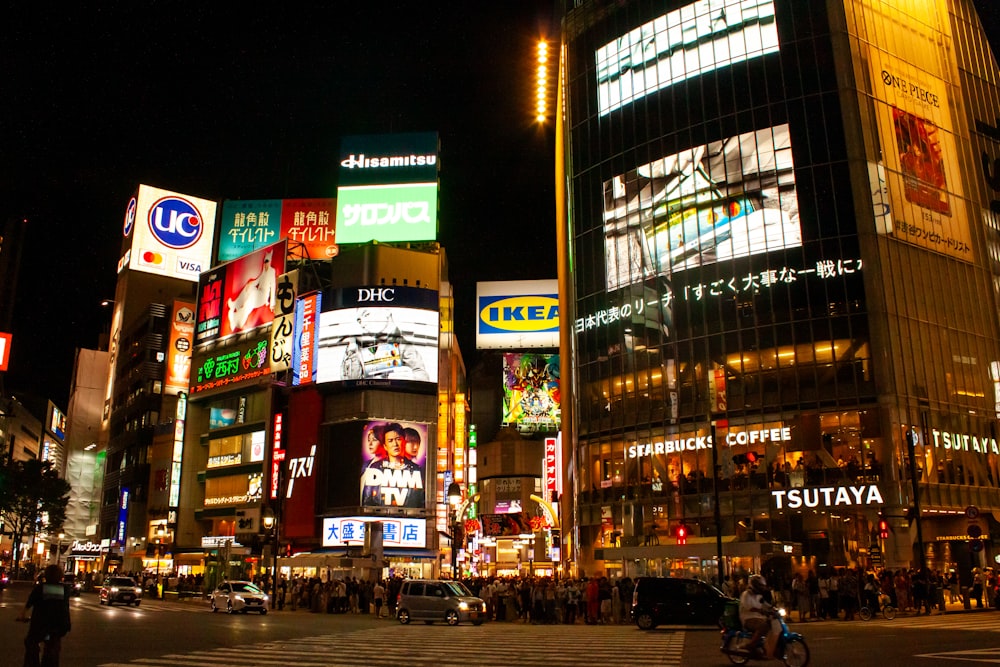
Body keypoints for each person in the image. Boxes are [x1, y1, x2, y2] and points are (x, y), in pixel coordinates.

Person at [340, 309, 430, 381]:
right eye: (359, 321)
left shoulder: (405, 347)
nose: (363, 324)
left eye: (367, 314)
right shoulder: (356, 347)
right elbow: (348, 381)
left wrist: (412, 377)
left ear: (387, 311)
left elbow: (423, 376)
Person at [17, 563, 71, 667]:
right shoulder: (65, 589)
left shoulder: (40, 588)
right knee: (53, 650)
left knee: (31, 643)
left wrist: (22, 616)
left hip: (40, 625)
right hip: (59, 626)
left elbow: (29, 604)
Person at [361, 423, 425, 507]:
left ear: (404, 441)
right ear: (385, 446)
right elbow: (367, 500)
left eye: (398, 439)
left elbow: (421, 501)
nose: (395, 444)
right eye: (390, 441)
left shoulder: (416, 470)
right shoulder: (375, 469)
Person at [227, 249, 277, 333]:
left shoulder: (272, 271)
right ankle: (235, 306)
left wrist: (272, 304)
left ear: (270, 261)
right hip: (258, 293)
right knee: (249, 290)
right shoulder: (264, 272)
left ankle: (236, 319)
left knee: (251, 297)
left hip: (263, 297)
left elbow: (273, 287)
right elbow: (258, 280)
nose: (265, 264)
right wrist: (250, 284)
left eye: (267, 261)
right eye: (265, 262)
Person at [739, 574, 774, 655]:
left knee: (771, 624)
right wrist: (760, 611)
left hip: (758, 617)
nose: (762, 588)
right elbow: (749, 607)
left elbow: (764, 604)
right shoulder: (746, 594)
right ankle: (751, 645)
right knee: (764, 626)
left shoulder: (758, 596)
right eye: (760, 586)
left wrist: (773, 609)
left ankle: (764, 645)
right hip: (748, 618)